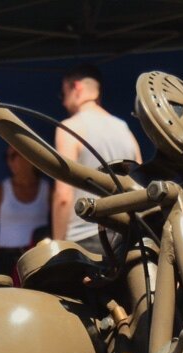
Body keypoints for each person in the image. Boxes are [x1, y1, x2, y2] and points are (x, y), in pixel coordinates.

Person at [50, 64, 141, 254]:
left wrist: (58, 245)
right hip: (127, 236)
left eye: (63, 94)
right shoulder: (124, 129)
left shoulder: (69, 128)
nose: (63, 103)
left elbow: (63, 196)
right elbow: (140, 184)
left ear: (77, 87)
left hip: (85, 237)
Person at [0, 146, 50, 279]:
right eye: (7, 157)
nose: (10, 161)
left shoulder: (48, 190)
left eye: (14, 155)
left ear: (30, 158)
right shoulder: (0, 191)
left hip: (39, 259)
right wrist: (5, 254)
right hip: (10, 261)